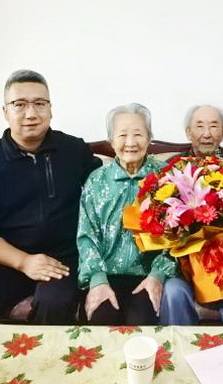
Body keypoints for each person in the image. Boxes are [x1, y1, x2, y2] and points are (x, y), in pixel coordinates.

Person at [0, 69, 102, 324]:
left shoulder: (74, 150)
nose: (31, 114)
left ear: (51, 109)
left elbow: (104, 192)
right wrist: (24, 262)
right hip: (9, 258)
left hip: (64, 259)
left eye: (40, 104)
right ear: (5, 111)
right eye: (19, 104)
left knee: (54, 304)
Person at [159, 104, 223, 326]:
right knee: (173, 291)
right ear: (188, 132)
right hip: (184, 264)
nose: (207, 133)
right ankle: (178, 347)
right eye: (199, 126)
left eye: (214, 126)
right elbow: (162, 219)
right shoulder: (173, 166)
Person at [77, 103, 177, 325]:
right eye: (122, 135)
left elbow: (178, 235)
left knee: (141, 325)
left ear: (149, 138)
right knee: (101, 325)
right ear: (111, 141)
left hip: (147, 276)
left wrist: (157, 275)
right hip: (105, 275)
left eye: (138, 134)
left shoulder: (165, 177)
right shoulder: (97, 180)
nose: (130, 142)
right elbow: (86, 235)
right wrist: (97, 279)